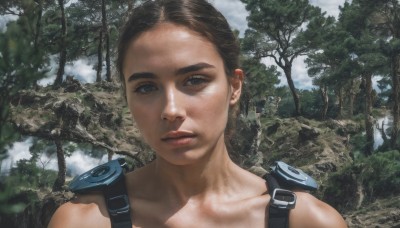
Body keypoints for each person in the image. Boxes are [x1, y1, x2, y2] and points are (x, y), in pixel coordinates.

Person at [48, 0, 348, 227]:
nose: (171, 110)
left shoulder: (307, 220)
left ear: (234, 86)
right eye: (146, 87)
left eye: (194, 81)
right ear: (126, 97)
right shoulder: (85, 221)